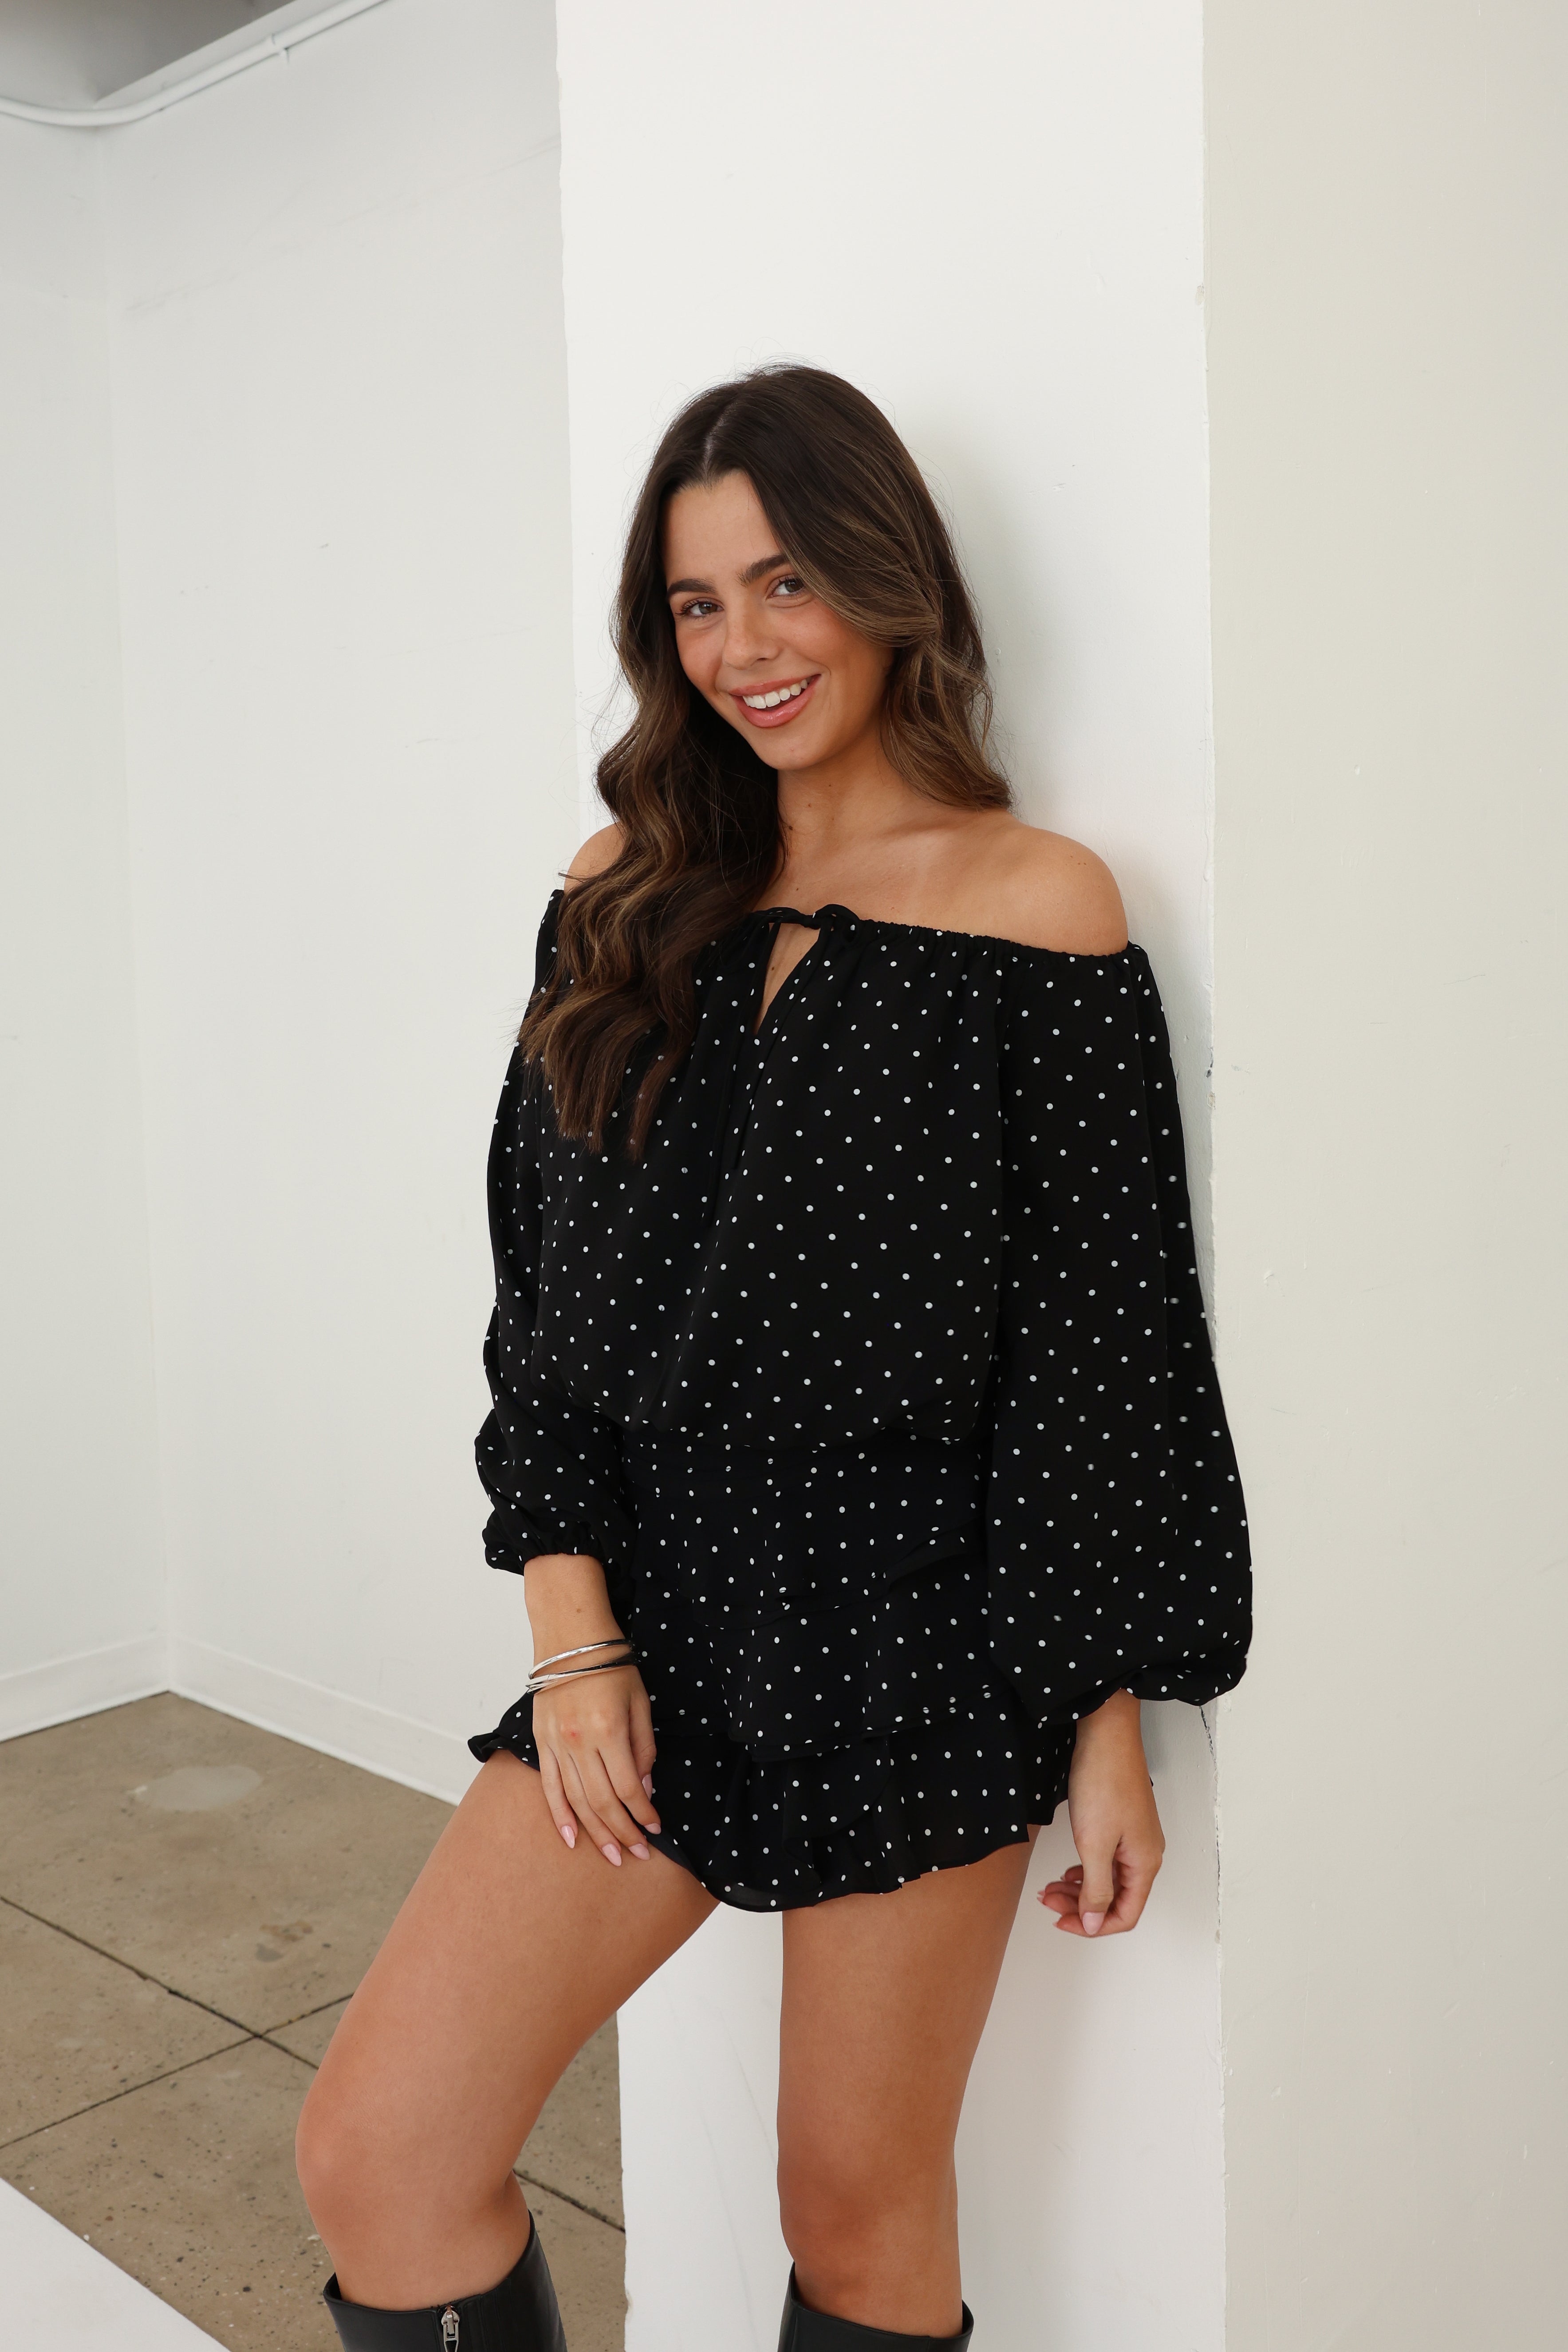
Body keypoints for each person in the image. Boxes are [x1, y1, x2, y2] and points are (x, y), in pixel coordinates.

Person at [295, 364, 1251, 2351]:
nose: (742, 647)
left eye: (785, 581)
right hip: (650, 1602)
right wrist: (573, 1632)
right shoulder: (619, 893)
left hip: (925, 1638)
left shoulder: (1036, 911)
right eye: (696, 604)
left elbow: (1097, 1348)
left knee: (855, 2211)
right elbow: (537, 1304)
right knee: (382, 2150)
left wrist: (1099, 1711)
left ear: (889, 581)